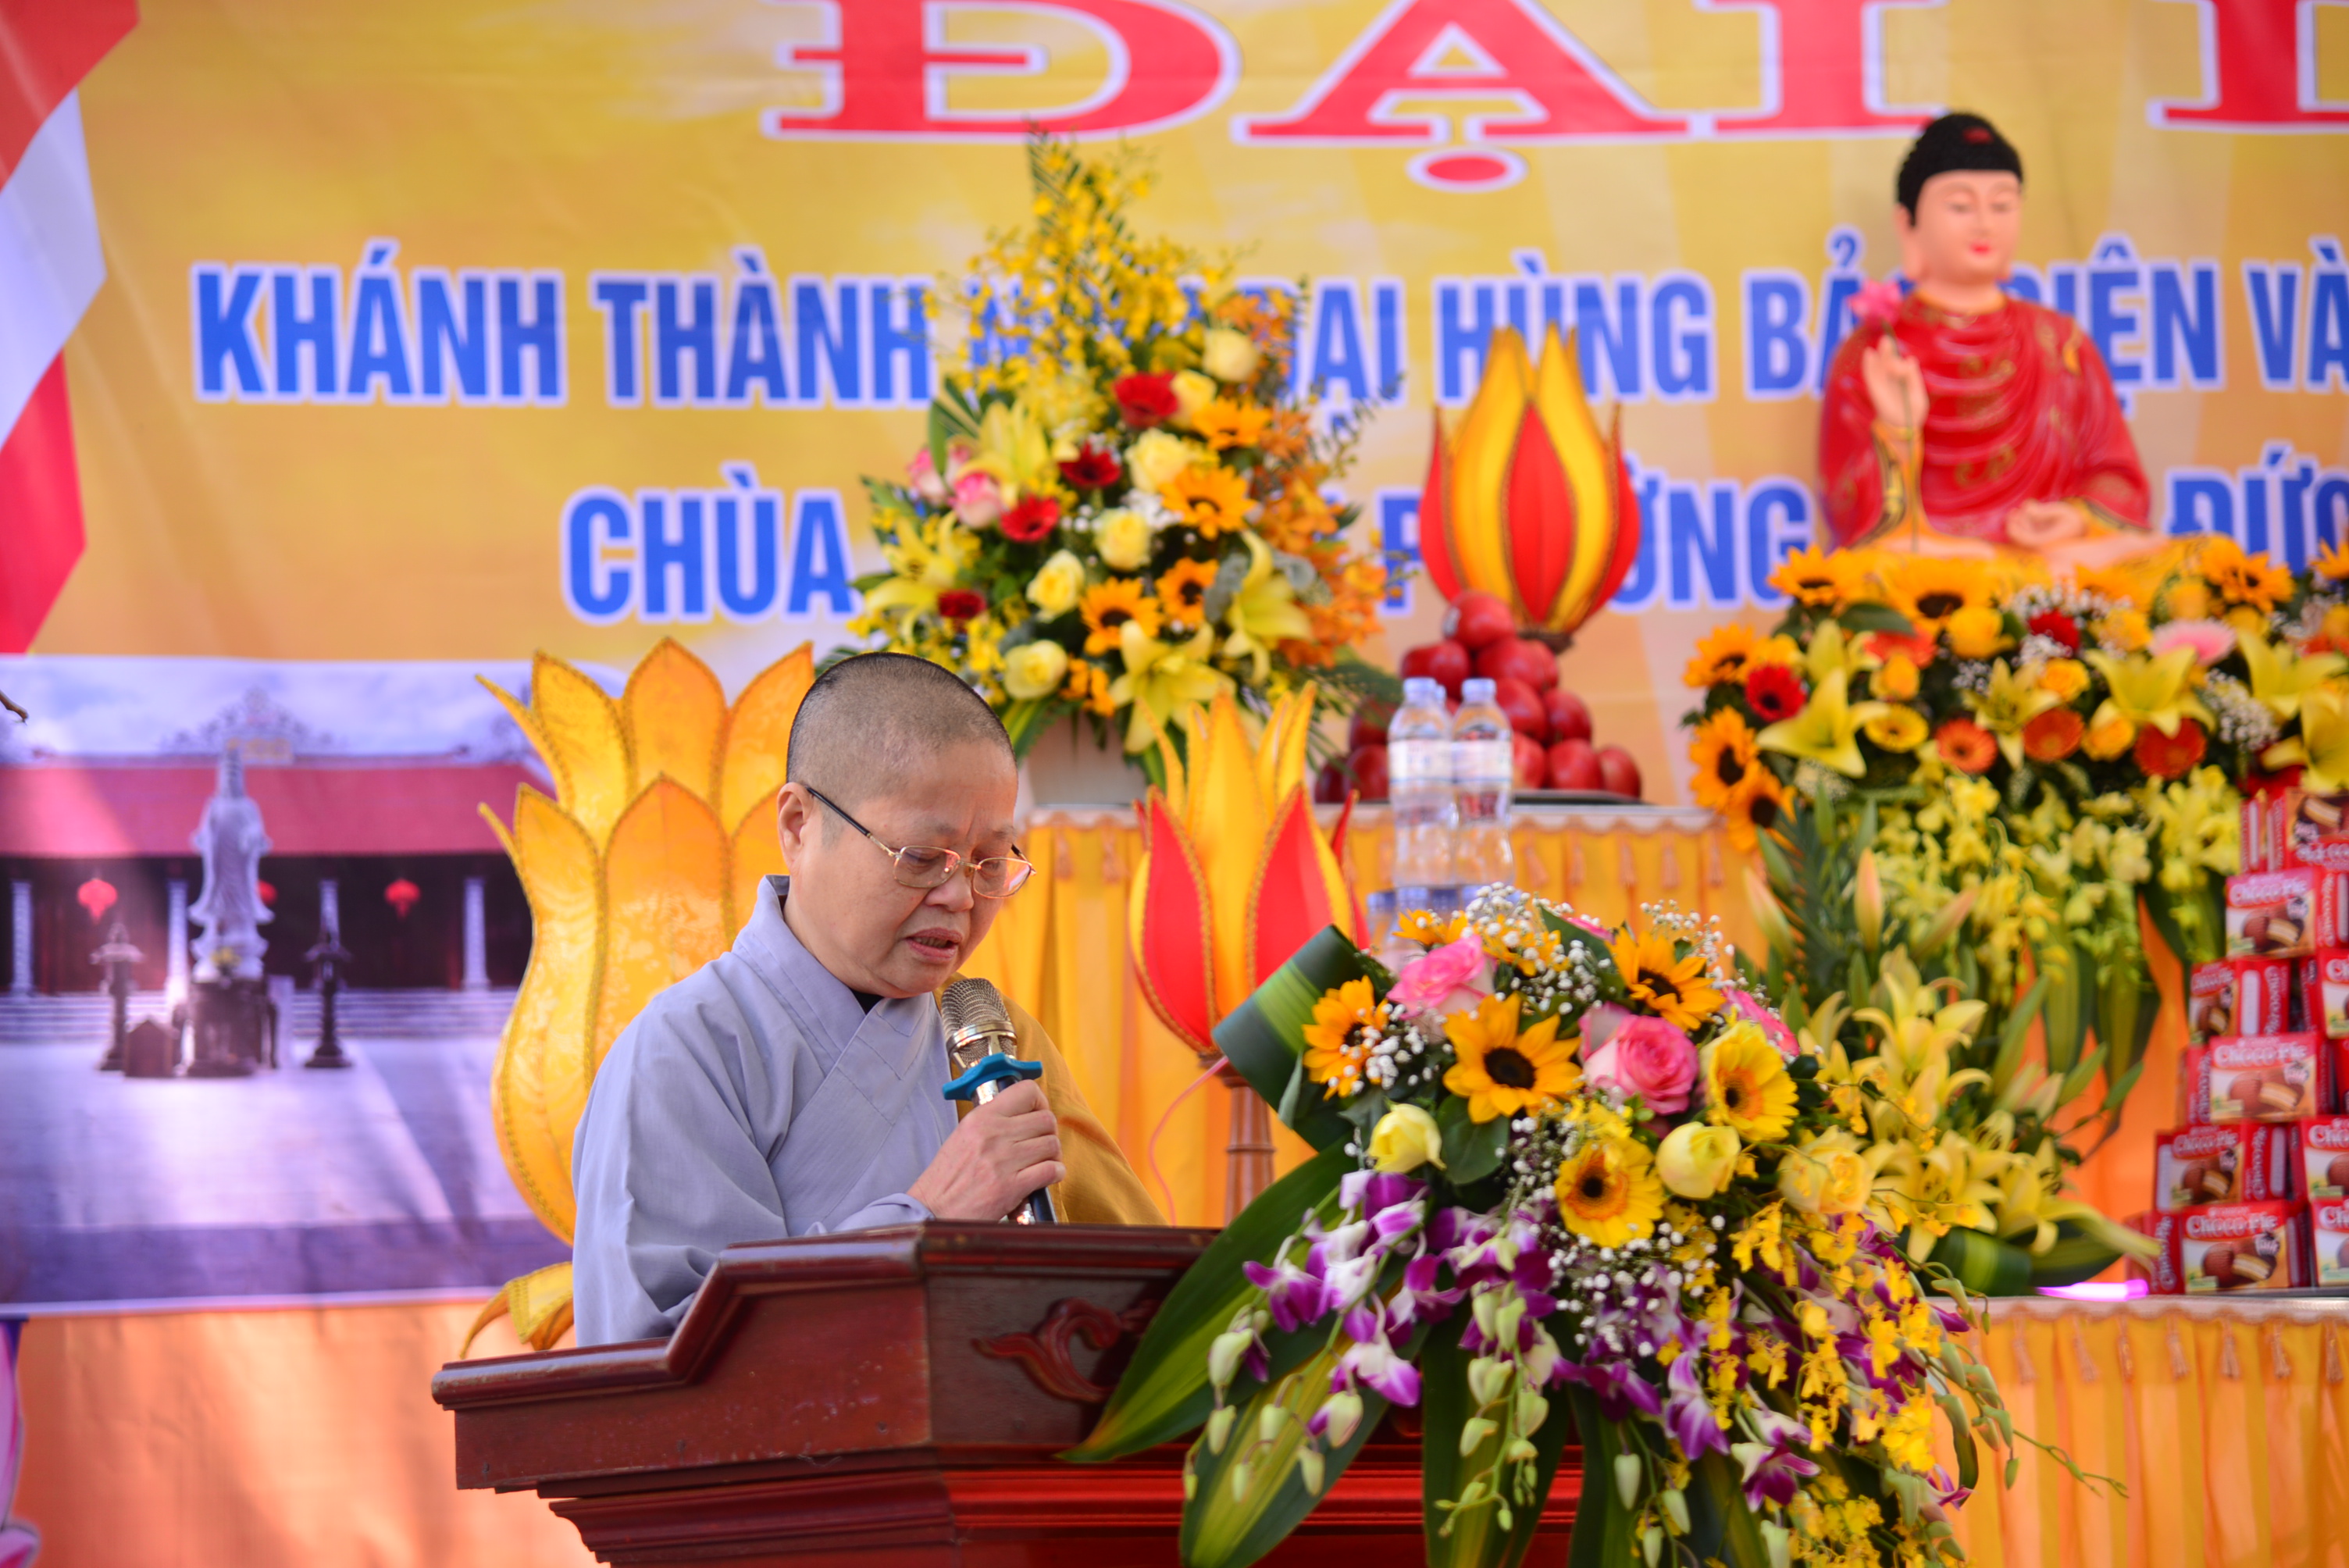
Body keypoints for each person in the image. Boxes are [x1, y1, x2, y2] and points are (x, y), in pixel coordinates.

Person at [571, 652, 1162, 1345]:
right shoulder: (684, 1051)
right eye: (922, 858)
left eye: (991, 863)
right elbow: (666, 1357)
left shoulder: (993, 1038)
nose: (960, 896)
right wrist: (928, 1218)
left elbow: (1141, 1289)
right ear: (798, 825)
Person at [1819, 112, 2155, 567]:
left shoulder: (2061, 342)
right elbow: (1853, 513)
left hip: (2052, 560)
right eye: (1960, 207)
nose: (1984, 224)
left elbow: (2119, 479)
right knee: (1885, 567)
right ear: (1908, 225)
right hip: (1942, 565)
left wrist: (2074, 518)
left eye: (2002, 206)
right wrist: (1898, 435)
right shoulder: (1877, 350)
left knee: (2190, 554)